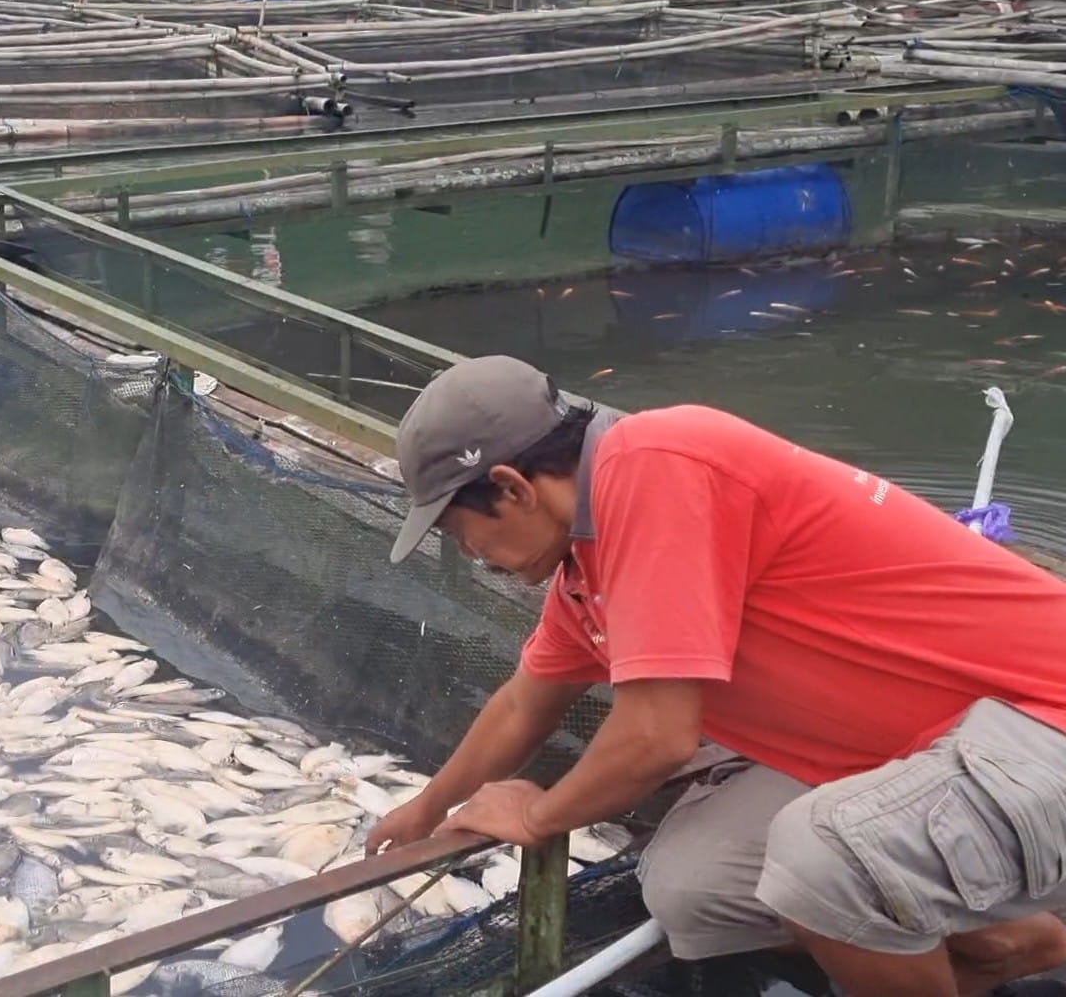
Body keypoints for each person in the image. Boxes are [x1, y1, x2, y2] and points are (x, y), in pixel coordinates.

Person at [368, 355, 1066, 997]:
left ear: (512, 487)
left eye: (461, 535)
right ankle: (1006, 939)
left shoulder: (655, 466)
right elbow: (526, 704)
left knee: (822, 860)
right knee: (691, 888)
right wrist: (428, 809)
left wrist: (537, 814)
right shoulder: (584, 571)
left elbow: (656, 738)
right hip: (923, 754)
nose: (472, 555)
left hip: (1038, 720)